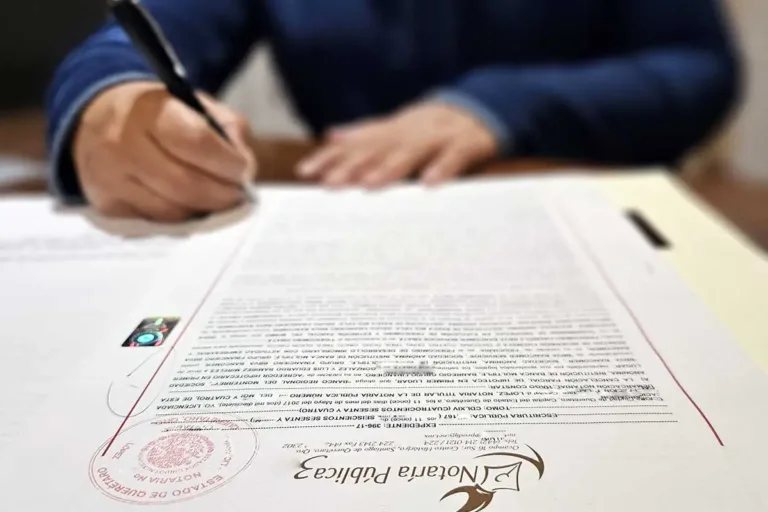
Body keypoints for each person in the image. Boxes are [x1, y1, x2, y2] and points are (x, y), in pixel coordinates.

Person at [46, 0, 740, 222]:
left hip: (594, 221)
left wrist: (498, 105)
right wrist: (111, 101)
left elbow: (699, 66)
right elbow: (148, 34)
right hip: (348, 218)